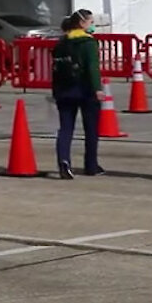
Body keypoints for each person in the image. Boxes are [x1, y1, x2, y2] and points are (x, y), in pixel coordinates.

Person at [51, 10, 105, 179]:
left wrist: (55, 90)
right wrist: (98, 88)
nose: (93, 25)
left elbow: (55, 69)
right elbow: (92, 68)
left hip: (64, 90)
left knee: (65, 128)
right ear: (82, 24)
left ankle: (64, 162)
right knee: (91, 129)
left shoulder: (61, 43)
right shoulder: (88, 43)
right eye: (91, 22)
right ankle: (91, 165)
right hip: (85, 89)